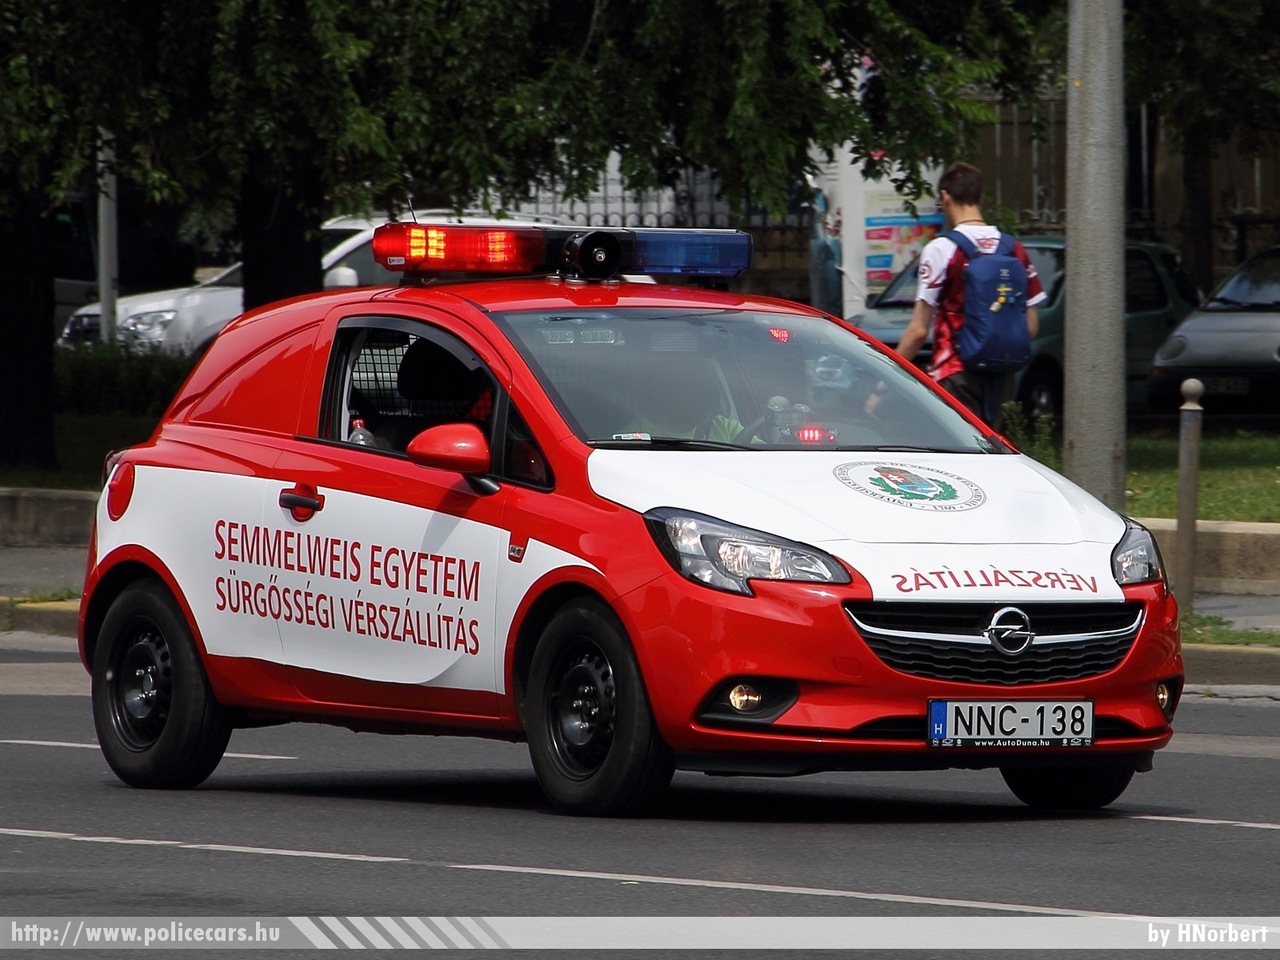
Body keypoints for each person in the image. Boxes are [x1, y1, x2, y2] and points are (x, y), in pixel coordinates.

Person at [895, 162, 1044, 432]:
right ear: (981, 198)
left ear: (945, 197)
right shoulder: (1014, 249)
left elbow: (918, 331)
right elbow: (1030, 327)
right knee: (990, 457)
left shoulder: (942, 249)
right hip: (1002, 376)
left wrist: (885, 382)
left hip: (954, 373)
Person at [626, 353, 747, 442]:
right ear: (659, 394)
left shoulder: (726, 427)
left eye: (702, 388)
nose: (697, 397)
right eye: (686, 388)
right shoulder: (631, 436)